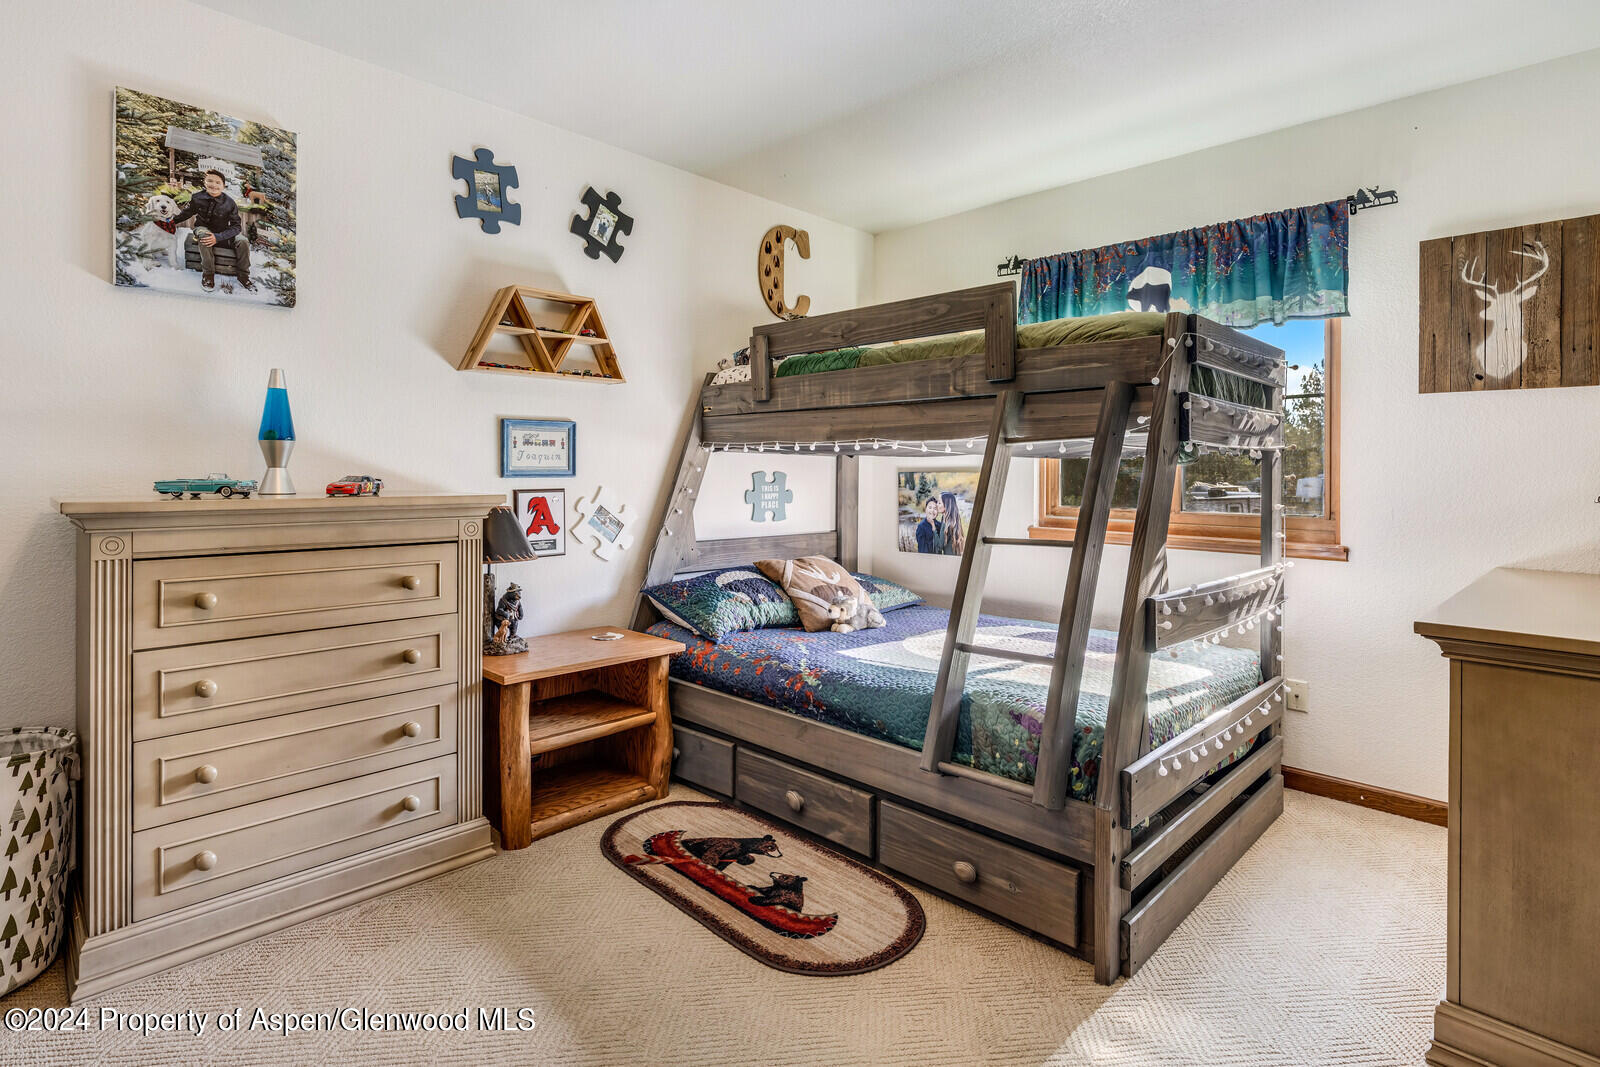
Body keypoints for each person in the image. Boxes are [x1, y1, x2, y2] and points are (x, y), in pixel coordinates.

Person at [171, 169, 254, 293]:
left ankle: (243, 275)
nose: (213, 185)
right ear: (204, 182)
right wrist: (170, 222)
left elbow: (237, 227)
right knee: (205, 236)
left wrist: (219, 237)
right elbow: (186, 213)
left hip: (223, 232)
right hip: (202, 228)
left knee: (243, 241)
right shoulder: (196, 197)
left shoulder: (230, 203)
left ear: (223, 186)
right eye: (210, 181)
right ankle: (208, 274)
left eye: (217, 182)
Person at [939, 490, 965, 556]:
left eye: (939, 503)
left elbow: (939, 546)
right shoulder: (952, 519)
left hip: (949, 559)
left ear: (946, 505)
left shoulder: (948, 523)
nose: (936, 505)